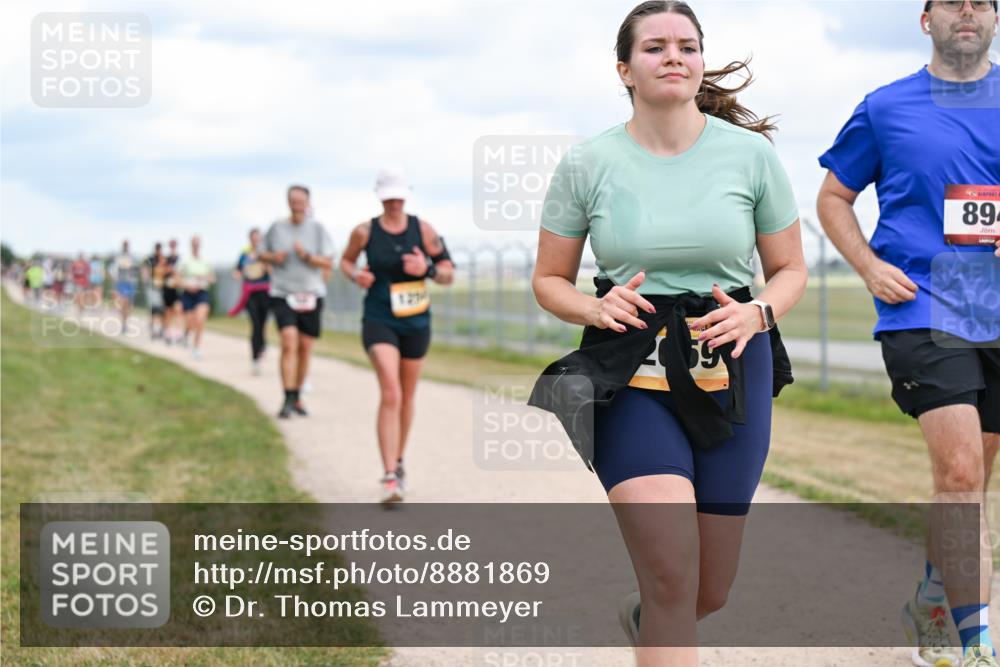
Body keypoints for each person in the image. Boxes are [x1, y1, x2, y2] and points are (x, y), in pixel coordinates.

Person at [526, 2, 807, 663]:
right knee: (673, 572)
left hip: (734, 357)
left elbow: (790, 268)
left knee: (708, 588)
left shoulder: (750, 157)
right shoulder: (587, 162)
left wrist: (757, 312)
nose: (673, 56)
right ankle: (660, 607)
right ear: (624, 69)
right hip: (630, 366)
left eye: (687, 45)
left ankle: (648, 617)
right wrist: (592, 310)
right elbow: (549, 280)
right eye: (654, 47)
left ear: (701, 61)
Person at [816, 2, 999, 665]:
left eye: (983, 1)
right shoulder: (886, 107)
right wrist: (867, 265)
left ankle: (932, 597)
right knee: (958, 470)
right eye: (953, 1)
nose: (969, 12)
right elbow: (833, 196)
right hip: (921, 307)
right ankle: (976, 643)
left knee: (973, 483)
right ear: (927, 20)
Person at [340, 167, 455, 504]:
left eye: (398, 196)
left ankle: (399, 461)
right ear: (380, 196)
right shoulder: (364, 232)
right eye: (387, 196)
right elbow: (345, 262)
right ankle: (390, 475)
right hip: (379, 318)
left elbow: (448, 273)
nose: (393, 202)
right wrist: (355, 275)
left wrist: (428, 270)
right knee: (390, 391)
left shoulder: (423, 230)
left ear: (406, 195)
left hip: (416, 321)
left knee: (406, 396)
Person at [258, 185, 335, 418]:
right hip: (283, 292)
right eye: (293, 201)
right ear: (288, 202)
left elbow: (329, 261)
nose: (297, 205)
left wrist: (307, 257)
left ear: (308, 203)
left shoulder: (318, 229)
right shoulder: (277, 227)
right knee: (288, 341)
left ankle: (298, 395)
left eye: (301, 201)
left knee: (305, 346)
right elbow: (260, 253)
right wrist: (274, 257)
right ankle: (287, 395)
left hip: (311, 293)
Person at [228, 228, 271, 374]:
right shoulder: (244, 255)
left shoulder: (266, 254)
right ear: (250, 239)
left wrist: (267, 265)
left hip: (265, 292)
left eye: (258, 238)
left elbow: (272, 271)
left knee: (263, 323)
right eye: (254, 238)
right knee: (255, 324)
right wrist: (237, 274)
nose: (256, 240)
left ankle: (262, 344)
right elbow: (237, 270)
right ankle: (255, 359)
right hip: (250, 293)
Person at [177, 236, 215, 360]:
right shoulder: (184, 261)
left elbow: (212, 278)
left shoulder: (205, 261)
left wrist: (203, 278)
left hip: (202, 293)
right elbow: (177, 279)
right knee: (190, 321)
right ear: (191, 245)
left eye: (198, 244)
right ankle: (186, 334)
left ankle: (197, 347)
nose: (196, 246)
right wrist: (186, 285)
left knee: (200, 320)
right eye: (194, 244)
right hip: (188, 293)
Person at [109, 240, 140, 331]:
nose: (125, 246)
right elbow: (113, 270)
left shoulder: (133, 257)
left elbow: (135, 271)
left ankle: (125, 322)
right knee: (123, 302)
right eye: (124, 245)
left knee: (128, 305)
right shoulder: (118, 257)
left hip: (130, 284)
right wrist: (114, 281)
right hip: (121, 283)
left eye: (127, 245)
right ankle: (123, 324)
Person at [144, 243, 168, 339]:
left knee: (162, 310)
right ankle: (153, 330)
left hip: (162, 287)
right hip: (153, 287)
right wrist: (146, 280)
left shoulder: (163, 259)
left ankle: (161, 330)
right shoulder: (151, 259)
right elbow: (145, 270)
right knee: (154, 309)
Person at [162, 238, 182, 344]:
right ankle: (167, 332)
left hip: (176, 288)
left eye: (174, 244)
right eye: (171, 244)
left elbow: (180, 272)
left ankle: (178, 332)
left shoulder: (180, 258)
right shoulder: (166, 258)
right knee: (168, 311)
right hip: (167, 288)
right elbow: (162, 272)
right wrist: (169, 270)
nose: (173, 246)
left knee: (178, 310)